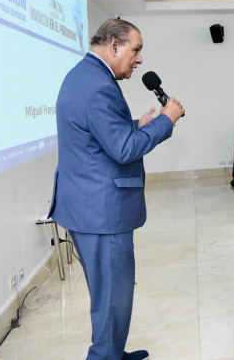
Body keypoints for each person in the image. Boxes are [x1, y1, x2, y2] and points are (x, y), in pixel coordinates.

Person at [49, 19, 184, 360]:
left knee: (109, 294)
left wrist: (135, 125)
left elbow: (100, 135)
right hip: (100, 211)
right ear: (113, 45)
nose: (139, 60)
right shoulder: (98, 85)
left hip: (89, 204)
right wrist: (166, 121)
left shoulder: (86, 75)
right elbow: (123, 150)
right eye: (135, 50)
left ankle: (113, 353)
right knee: (112, 298)